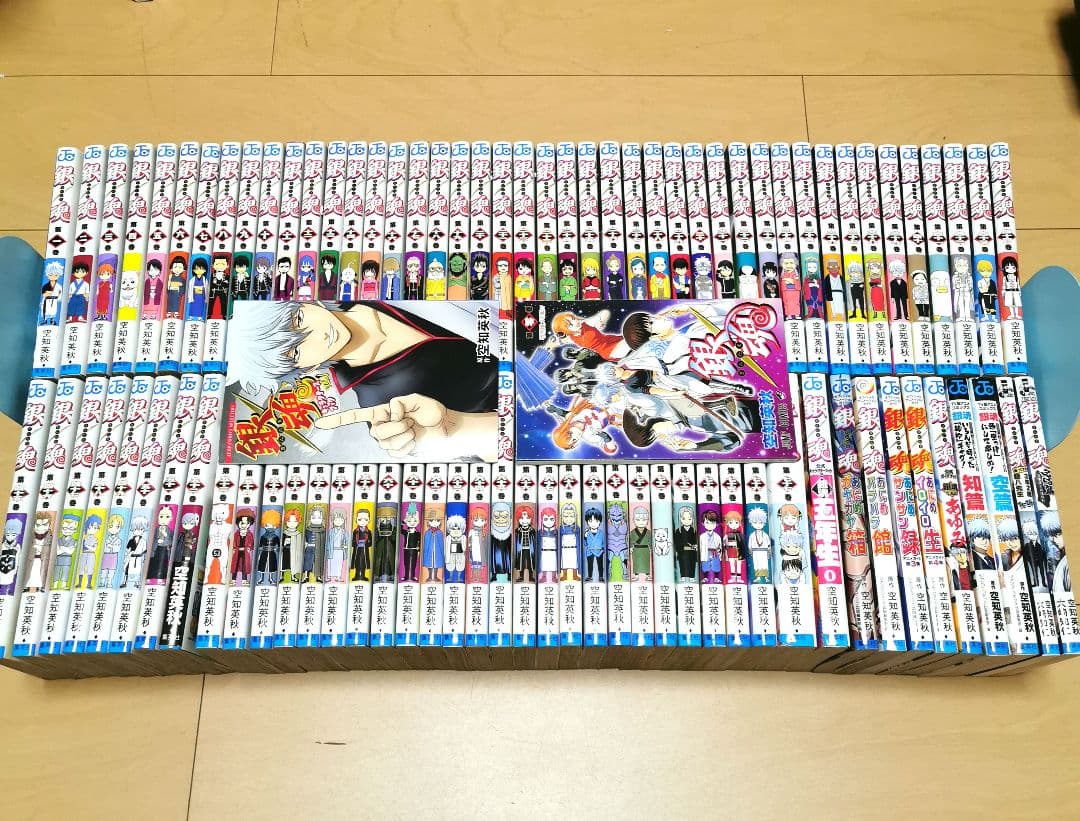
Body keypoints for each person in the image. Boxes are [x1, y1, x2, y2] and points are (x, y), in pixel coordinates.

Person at [226, 300, 500, 462]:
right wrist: (456, 427)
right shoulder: (386, 409)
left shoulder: (379, 284)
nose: (318, 335)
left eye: (298, 319)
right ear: (301, 369)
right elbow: (497, 451)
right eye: (296, 351)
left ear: (305, 303)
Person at [673, 506, 698, 582]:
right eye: (684, 518)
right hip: (682, 552)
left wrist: (695, 546)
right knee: (682, 563)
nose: (687, 521)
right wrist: (680, 548)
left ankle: (692, 577)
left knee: (692, 564)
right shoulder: (678, 531)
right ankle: (682, 576)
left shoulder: (694, 531)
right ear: (680, 519)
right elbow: (677, 542)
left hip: (692, 552)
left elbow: (696, 541)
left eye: (689, 519)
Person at [350, 509, 372, 582]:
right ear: (356, 520)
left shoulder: (368, 531)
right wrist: (356, 543)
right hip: (357, 549)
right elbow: (353, 540)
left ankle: (363, 575)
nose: (362, 521)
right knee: (357, 562)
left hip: (364, 549)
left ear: (369, 520)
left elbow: (370, 542)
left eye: (365, 519)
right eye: (360, 519)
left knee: (364, 563)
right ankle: (356, 576)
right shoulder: (355, 531)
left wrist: (366, 543)